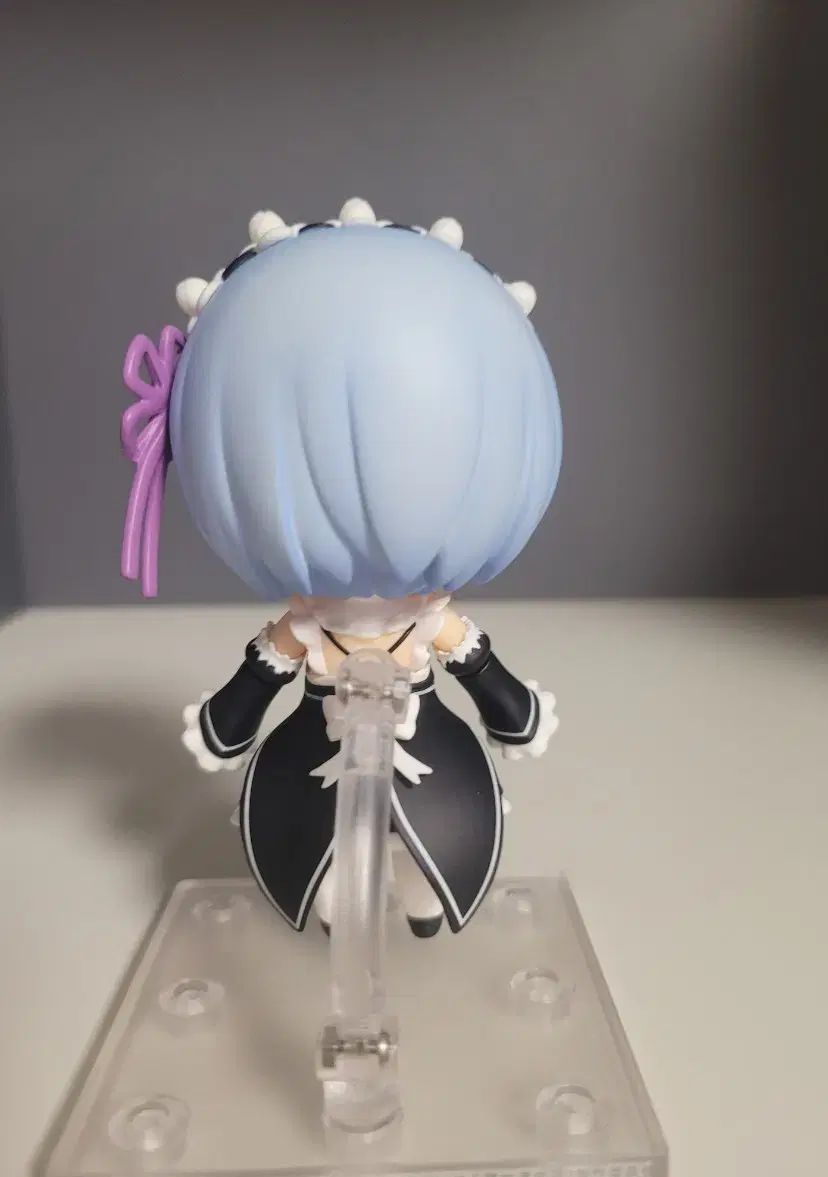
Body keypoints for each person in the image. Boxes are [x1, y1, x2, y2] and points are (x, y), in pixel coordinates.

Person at [121, 198, 562, 937]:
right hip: (314, 784)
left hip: (434, 782)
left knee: (427, 886)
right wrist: (239, 707)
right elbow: (241, 706)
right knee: (329, 890)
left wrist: (507, 706)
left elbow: (493, 687)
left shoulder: (431, 622)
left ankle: (418, 904)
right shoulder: (306, 628)